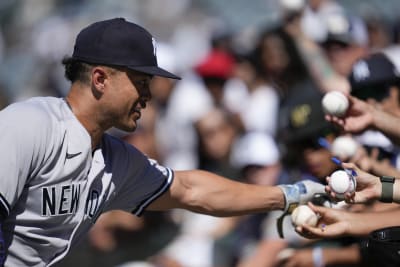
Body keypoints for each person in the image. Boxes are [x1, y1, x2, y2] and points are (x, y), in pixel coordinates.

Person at [0, 17, 326, 266]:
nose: (148, 94)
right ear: (100, 78)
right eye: (140, 81)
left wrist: (288, 194)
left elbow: (190, 190)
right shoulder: (30, 125)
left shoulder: (115, 160)